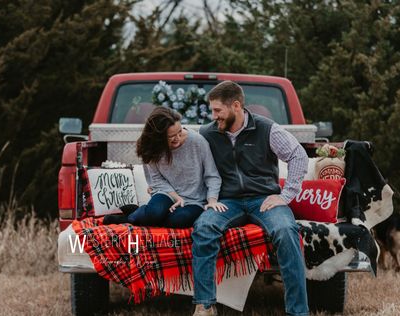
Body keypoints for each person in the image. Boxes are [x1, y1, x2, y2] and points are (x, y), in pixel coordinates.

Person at [192, 81, 309, 316]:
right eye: (212, 111)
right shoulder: (207, 133)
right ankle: (205, 305)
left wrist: (285, 196)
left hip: (264, 198)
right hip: (228, 201)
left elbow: (298, 155)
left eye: (217, 110)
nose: (213, 116)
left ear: (236, 106)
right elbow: (195, 165)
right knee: (203, 227)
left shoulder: (267, 129)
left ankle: (298, 312)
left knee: (287, 231)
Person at [103, 107, 226, 228]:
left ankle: (135, 215)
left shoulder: (197, 142)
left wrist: (212, 200)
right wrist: (176, 198)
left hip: (195, 200)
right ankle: (139, 215)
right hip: (166, 192)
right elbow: (157, 179)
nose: (178, 138)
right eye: (172, 136)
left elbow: (212, 175)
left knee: (178, 220)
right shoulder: (151, 149)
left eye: (180, 131)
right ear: (158, 137)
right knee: (155, 213)